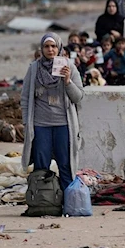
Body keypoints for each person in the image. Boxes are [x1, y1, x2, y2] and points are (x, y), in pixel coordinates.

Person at [21, 33, 85, 191]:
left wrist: (68, 81)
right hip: (41, 124)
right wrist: (26, 123)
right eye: (46, 46)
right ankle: (43, 202)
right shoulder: (34, 68)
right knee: (41, 165)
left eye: (53, 46)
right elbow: (25, 98)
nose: (50, 50)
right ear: (41, 49)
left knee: (65, 164)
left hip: (63, 124)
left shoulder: (69, 66)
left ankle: (68, 202)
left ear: (59, 47)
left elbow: (78, 98)